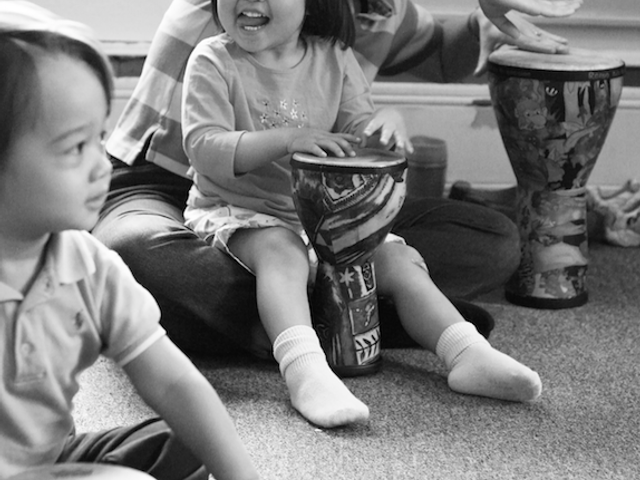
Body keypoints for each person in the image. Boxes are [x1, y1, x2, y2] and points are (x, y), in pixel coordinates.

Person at [96, 0, 579, 355]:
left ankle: (289, 314)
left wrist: (482, 24)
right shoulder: (236, 18)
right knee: (130, 253)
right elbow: (205, 147)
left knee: (493, 242)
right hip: (159, 183)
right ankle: (355, 318)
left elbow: (438, 50)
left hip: (310, 203)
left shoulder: (374, 12)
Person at [178, 0, 542, 429]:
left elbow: (358, 138)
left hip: (325, 214)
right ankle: (306, 372)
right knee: (283, 254)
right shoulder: (213, 59)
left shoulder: (334, 56)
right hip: (241, 211)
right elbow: (203, 148)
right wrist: (288, 139)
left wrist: (385, 124)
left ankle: (467, 353)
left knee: (398, 260)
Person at [0, 4, 259, 479]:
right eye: (75, 147)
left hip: (48, 457)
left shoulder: (89, 266)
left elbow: (174, 383)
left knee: (194, 440)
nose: (102, 164)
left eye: (98, 137)